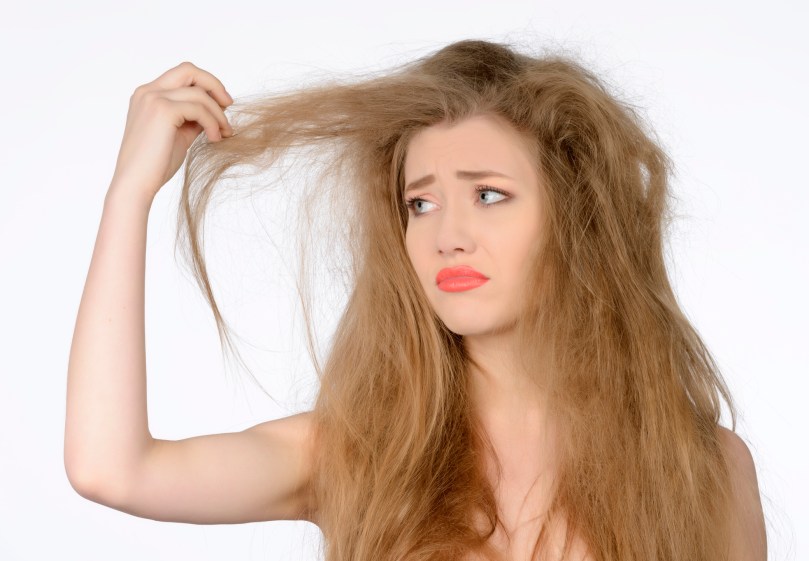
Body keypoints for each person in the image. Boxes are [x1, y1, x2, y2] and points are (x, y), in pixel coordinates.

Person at [64, 39, 767, 561]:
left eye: (487, 194)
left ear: (575, 215)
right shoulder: (359, 453)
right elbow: (112, 468)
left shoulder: (701, 467)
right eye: (420, 203)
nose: (446, 236)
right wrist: (129, 194)